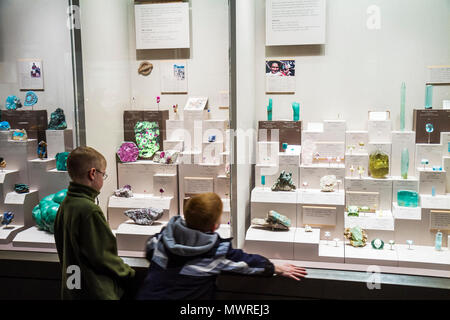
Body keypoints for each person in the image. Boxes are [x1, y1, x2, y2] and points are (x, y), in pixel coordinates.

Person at [136, 192, 307, 300]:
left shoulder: (162, 239)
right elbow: (246, 263)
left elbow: (149, 250)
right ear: (215, 225)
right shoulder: (215, 253)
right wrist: (275, 268)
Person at [54, 146, 135, 300]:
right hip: (95, 293)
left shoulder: (66, 204)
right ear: (93, 173)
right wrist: (129, 274)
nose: (103, 179)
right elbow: (103, 256)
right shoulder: (89, 210)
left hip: (73, 290)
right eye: (103, 175)